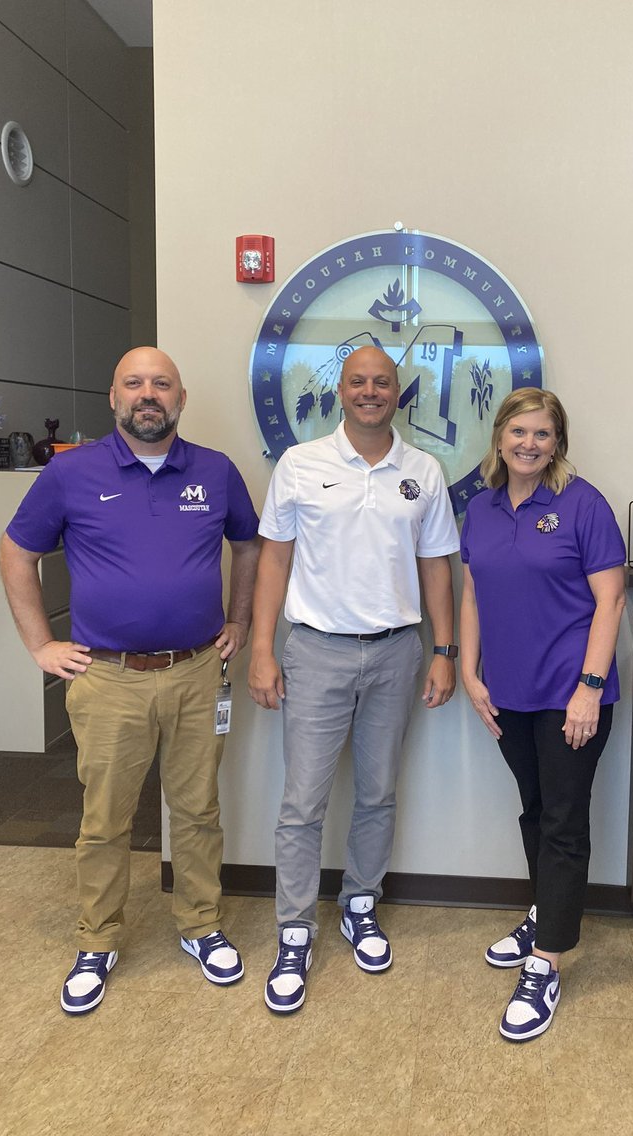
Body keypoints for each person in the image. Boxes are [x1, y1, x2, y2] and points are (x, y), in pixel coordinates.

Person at [0, 347, 260, 1014]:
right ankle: (97, 939)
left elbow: (250, 544)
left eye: (161, 384)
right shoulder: (71, 472)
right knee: (105, 819)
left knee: (198, 810)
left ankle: (201, 924)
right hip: (108, 678)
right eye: (135, 383)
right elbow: (17, 550)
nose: (149, 394)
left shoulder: (216, 470)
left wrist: (239, 622)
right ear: (114, 398)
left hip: (198, 671)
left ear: (180, 397)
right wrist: (39, 643)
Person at [248, 344, 459, 1014]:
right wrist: (262, 648)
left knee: (377, 793)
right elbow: (273, 563)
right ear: (339, 390)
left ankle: (361, 904)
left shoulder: (423, 470)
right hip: (314, 651)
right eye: (358, 382)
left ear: (400, 393)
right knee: (302, 802)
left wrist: (445, 649)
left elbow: (437, 569)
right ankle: (295, 930)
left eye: (383, 382)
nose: (370, 391)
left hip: (397, 651)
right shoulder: (301, 464)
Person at [460, 387, 626, 1041]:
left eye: (544, 434)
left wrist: (588, 687)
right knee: (535, 809)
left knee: (562, 819)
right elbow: (471, 592)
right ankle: (545, 910)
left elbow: (609, 602)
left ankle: (546, 959)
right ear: (500, 436)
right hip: (508, 695)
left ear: (559, 443)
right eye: (520, 432)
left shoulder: (582, 505)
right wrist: (472, 674)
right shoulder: (482, 507)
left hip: (569, 698)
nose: (530, 444)